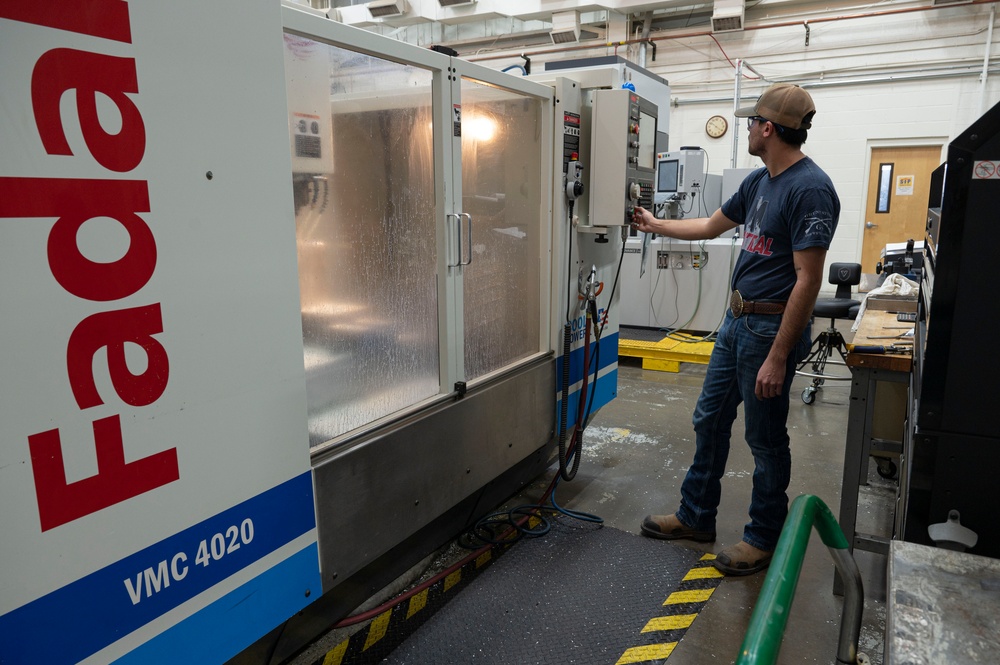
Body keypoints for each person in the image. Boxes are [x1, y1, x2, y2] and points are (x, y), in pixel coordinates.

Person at [632, 83, 840, 575]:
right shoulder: (759, 181)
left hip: (770, 332)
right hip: (735, 322)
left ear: (768, 129)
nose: (747, 128)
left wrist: (778, 355)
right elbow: (709, 226)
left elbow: (808, 280)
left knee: (765, 440)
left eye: (751, 122)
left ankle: (763, 537)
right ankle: (696, 516)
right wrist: (653, 224)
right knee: (709, 419)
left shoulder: (810, 189)